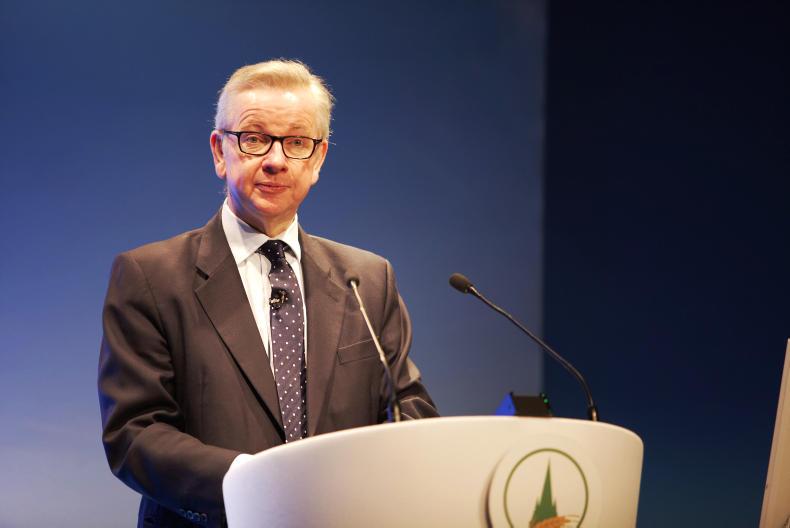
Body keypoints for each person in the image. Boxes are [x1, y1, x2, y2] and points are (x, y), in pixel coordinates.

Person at [98, 59, 438, 528]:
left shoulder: (367, 280)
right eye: (255, 138)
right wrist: (255, 483)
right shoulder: (151, 277)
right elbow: (136, 434)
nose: (276, 160)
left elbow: (408, 410)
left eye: (296, 142)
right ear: (220, 152)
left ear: (318, 159)